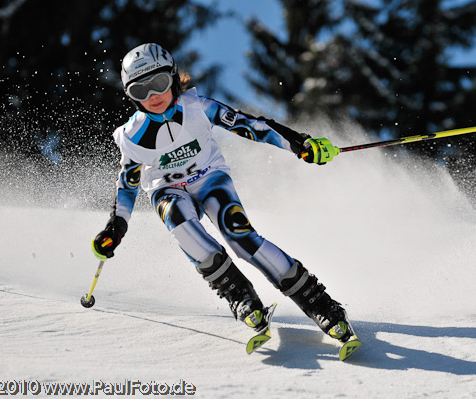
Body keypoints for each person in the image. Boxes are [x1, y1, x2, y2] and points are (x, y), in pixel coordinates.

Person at [92, 43, 352, 343]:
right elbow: (127, 184)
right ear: (130, 97)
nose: (153, 96)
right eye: (141, 91)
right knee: (181, 224)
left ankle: (319, 303)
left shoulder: (197, 108)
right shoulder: (131, 137)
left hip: (209, 179)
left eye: (159, 84)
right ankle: (239, 295)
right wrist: (117, 225)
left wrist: (298, 144)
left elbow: (250, 125)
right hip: (167, 190)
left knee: (239, 234)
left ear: (174, 79)